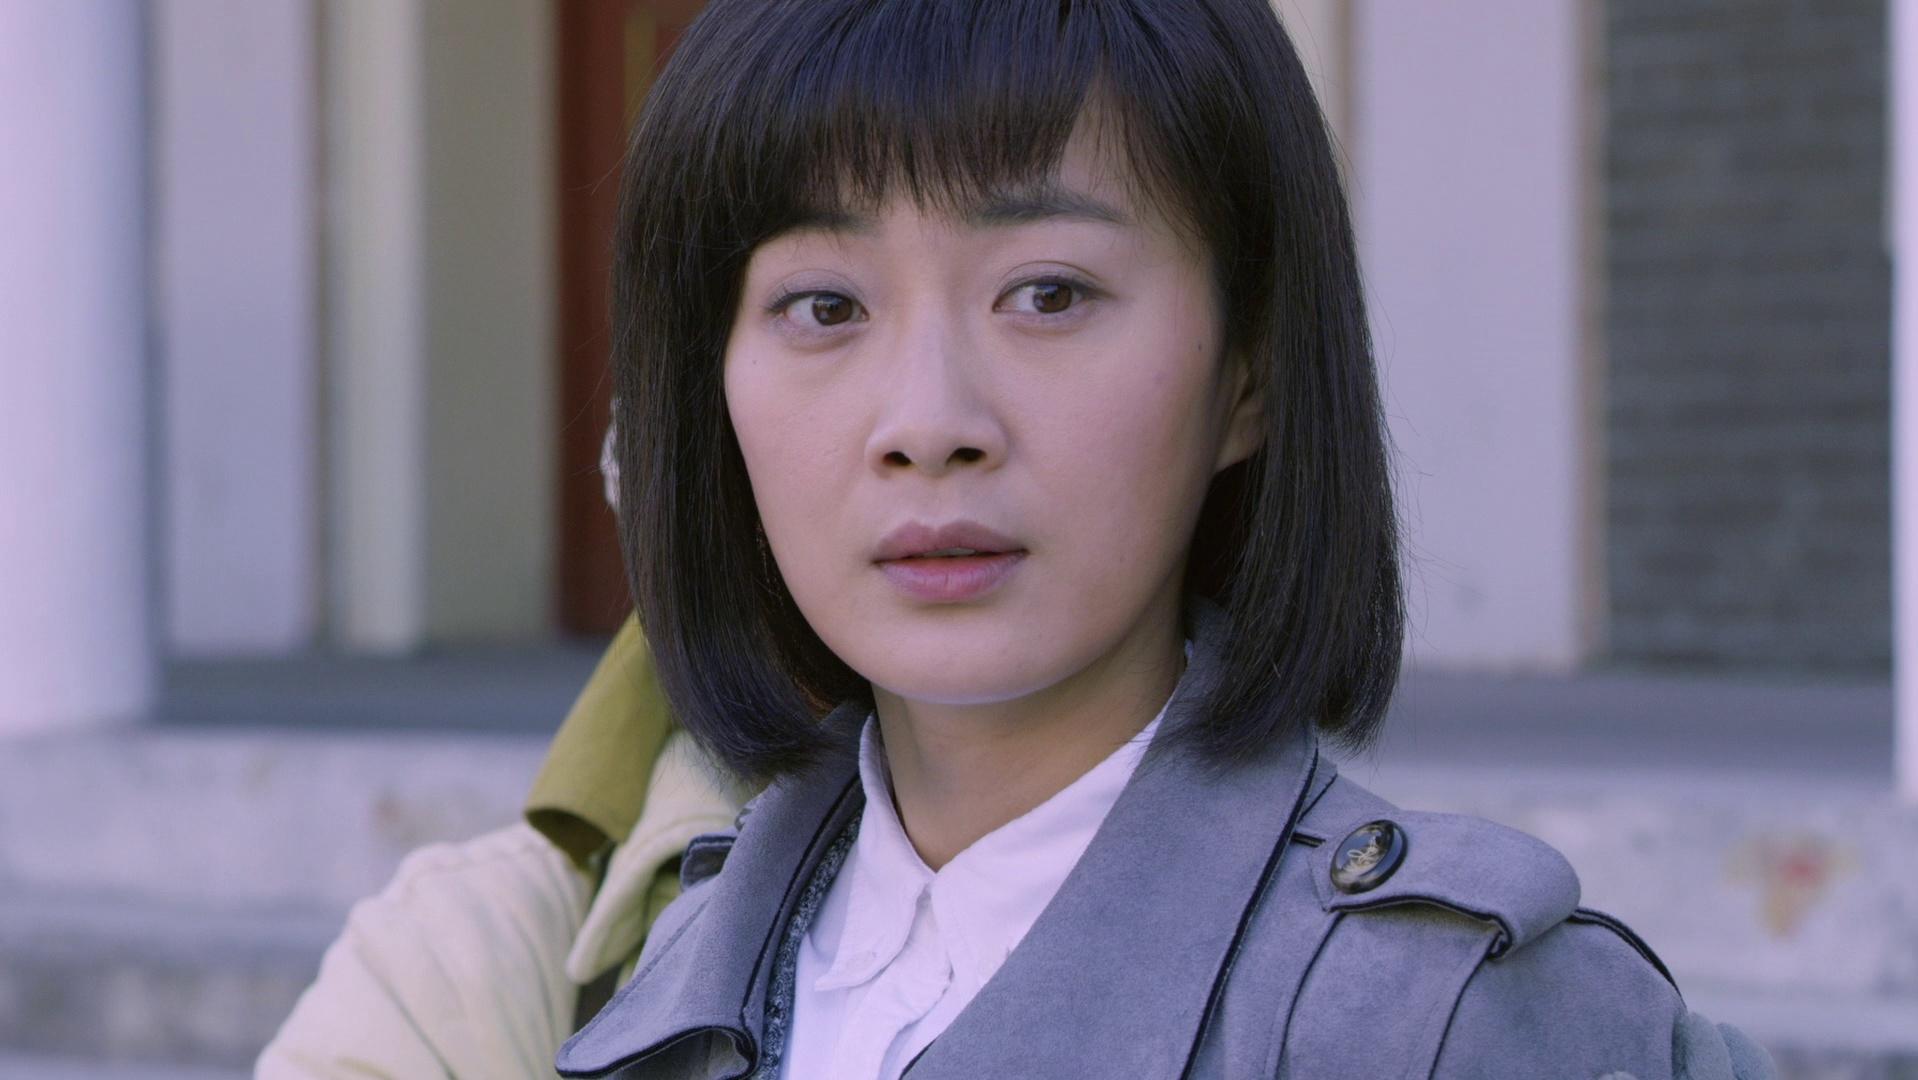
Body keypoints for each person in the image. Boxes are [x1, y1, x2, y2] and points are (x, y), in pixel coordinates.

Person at [265, 1, 1777, 1077]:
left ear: (1248, 370)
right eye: (823, 305)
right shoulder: (620, 987)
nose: (929, 422)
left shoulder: (1443, 1021)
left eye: (1048, 293)